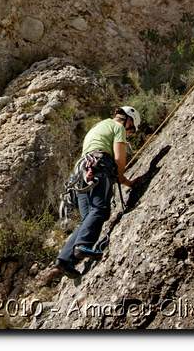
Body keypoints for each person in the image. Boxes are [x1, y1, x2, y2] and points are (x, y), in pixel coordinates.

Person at [55, 105, 140, 280]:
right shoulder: (117, 128)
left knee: (88, 219)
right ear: (128, 120)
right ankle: (82, 246)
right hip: (99, 168)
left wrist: (128, 183)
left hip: (81, 173)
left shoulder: (98, 127)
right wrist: (126, 179)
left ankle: (65, 259)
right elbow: (119, 161)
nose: (129, 133)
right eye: (131, 130)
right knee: (100, 210)